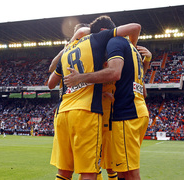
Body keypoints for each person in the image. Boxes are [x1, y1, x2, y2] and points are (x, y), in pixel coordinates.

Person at [48, 15, 141, 180]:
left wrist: (70, 41)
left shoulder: (68, 51)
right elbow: (134, 26)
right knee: (90, 171)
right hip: (87, 111)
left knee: (63, 172)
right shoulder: (97, 39)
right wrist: (131, 49)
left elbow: (50, 81)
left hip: (63, 112)